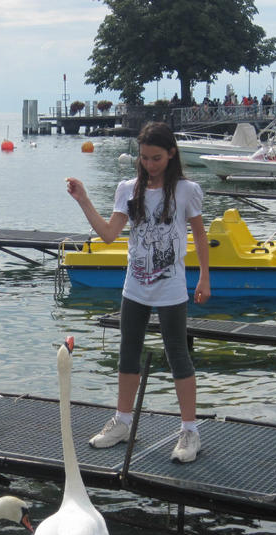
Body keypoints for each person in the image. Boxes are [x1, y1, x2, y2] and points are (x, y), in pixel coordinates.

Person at [65, 121, 211, 463]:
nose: (150, 164)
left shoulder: (187, 190)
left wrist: (204, 277)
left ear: (171, 154)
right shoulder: (128, 189)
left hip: (172, 287)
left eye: (157, 158)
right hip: (135, 286)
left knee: (178, 355)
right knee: (127, 353)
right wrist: (84, 200)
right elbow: (108, 234)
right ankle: (123, 423)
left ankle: (190, 430)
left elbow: (200, 236)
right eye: (144, 158)